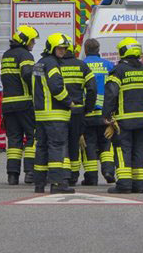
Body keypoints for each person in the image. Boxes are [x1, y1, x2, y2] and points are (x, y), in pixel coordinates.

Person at [102, 37, 143, 194]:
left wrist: (107, 116)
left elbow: (111, 94)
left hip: (124, 120)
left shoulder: (118, 71)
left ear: (123, 51)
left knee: (122, 151)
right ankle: (139, 184)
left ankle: (123, 185)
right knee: (138, 152)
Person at [32, 33, 74, 194]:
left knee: (41, 148)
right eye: (60, 48)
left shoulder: (39, 64)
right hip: (55, 115)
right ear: (51, 48)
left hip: (41, 114)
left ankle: (39, 184)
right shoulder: (52, 65)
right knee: (57, 148)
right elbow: (56, 87)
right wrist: (69, 102)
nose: (63, 51)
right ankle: (57, 184)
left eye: (64, 48)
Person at [1, 26, 38, 186]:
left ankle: (12, 175)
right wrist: (37, 90)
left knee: (14, 139)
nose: (34, 43)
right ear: (25, 41)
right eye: (32, 40)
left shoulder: (6, 55)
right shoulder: (25, 55)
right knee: (32, 136)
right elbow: (27, 73)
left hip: (8, 104)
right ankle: (30, 172)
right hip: (24, 102)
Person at [59, 39, 96, 186]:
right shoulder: (82, 66)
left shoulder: (55, 66)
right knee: (75, 143)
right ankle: (73, 176)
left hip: (59, 111)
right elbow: (92, 89)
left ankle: (63, 174)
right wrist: (88, 108)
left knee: (60, 143)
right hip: (78, 111)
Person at [79, 38, 115, 185]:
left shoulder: (81, 65)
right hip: (105, 114)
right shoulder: (109, 66)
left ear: (86, 50)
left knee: (89, 145)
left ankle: (91, 178)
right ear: (98, 49)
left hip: (87, 113)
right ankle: (108, 171)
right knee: (106, 144)